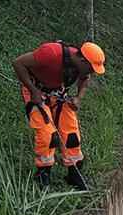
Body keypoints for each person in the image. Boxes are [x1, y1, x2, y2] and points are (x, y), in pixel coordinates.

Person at [12, 40, 106, 190]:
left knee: (71, 133)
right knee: (47, 134)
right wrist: (33, 90)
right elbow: (18, 63)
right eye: (91, 68)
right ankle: (43, 174)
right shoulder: (51, 53)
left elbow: (85, 79)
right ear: (83, 60)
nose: (92, 72)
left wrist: (78, 98)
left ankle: (74, 173)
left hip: (58, 92)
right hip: (36, 91)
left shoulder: (80, 68)